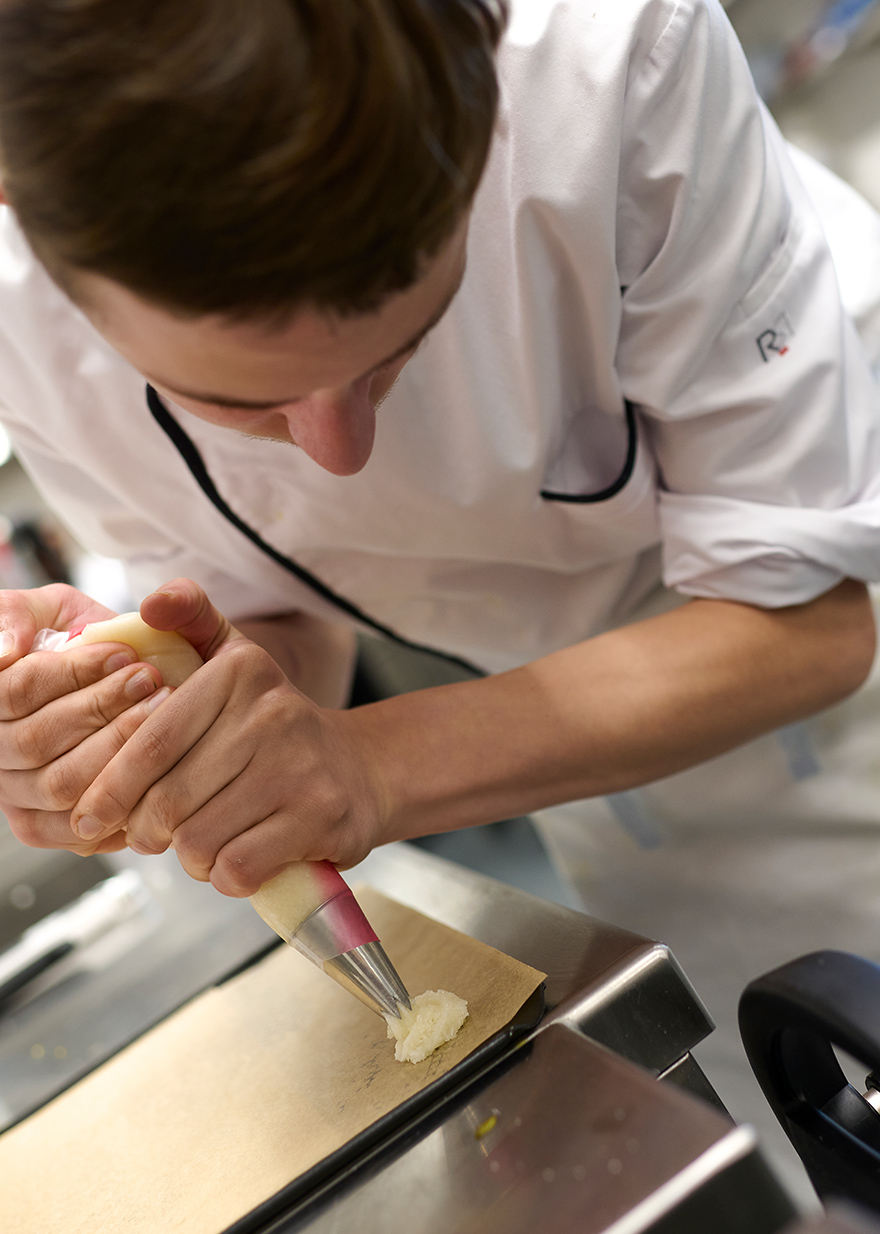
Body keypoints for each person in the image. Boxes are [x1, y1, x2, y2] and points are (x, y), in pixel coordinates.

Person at [0, 0, 879, 1194]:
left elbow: (809, 624)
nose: (338, 448)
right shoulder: (18, 292)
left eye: (398, 353)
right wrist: (170, 714)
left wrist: (364, 766)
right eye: (246, 403)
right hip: (591, 784)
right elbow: (266, 598)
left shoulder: (611, 59)